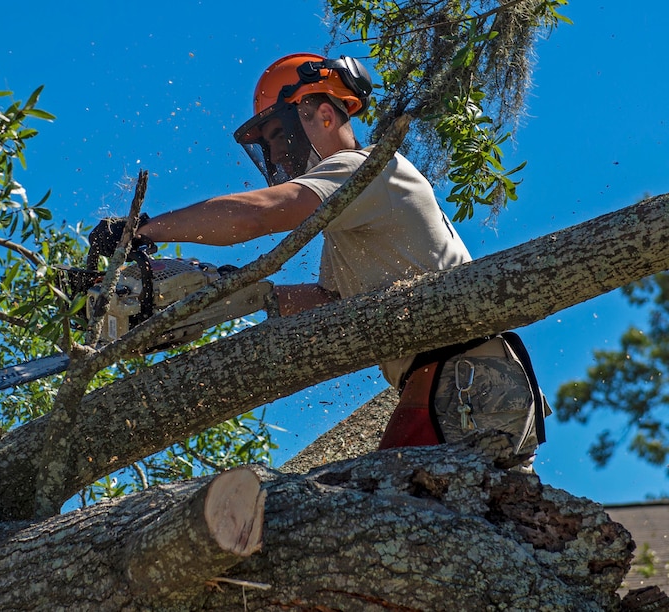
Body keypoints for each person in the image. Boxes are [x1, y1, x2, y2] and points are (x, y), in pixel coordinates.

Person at [89, 52, 547, 455]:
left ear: (323, 116)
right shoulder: (354, 215)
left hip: (465, 376)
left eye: (277, 135)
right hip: (468, 376)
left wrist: (143, 230)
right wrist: (227, 294)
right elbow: (332, 300)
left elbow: (261, 214)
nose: (275, 153)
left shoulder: (366, 169)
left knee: (379, 513)